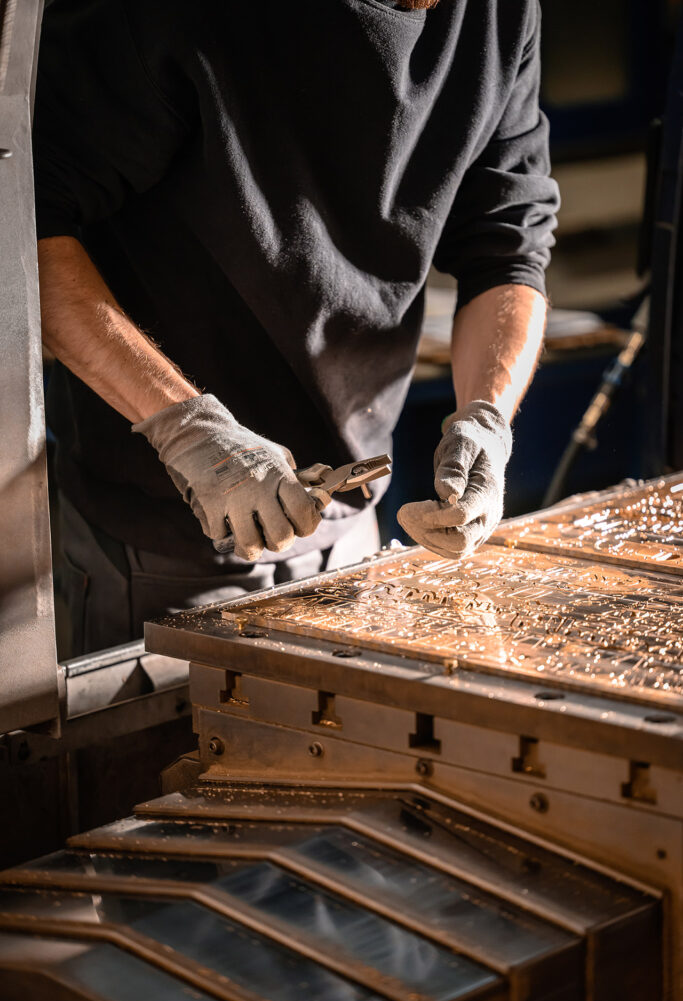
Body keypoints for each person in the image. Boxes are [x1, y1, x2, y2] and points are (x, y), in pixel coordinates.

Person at [33, 0, 559, 655]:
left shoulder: (498, 15)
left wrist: (487, 417)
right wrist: (184, 428)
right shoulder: (171, 15)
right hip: (156, 539)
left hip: (351, 519)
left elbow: (507, 248)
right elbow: (25, 227)